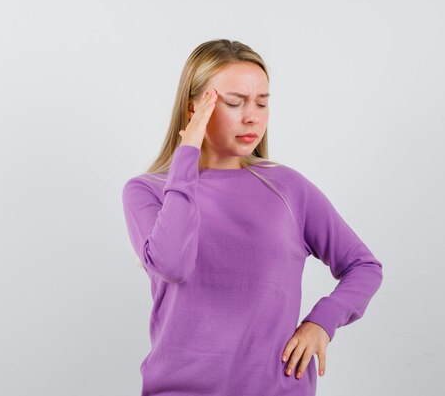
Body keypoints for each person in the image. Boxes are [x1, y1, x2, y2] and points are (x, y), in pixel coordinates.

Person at [121, 39, 384, 396]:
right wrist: (186, 158)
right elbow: (172, 265)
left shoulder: (288, 188)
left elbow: (363, 265)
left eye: (262, 102)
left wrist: (321, 322)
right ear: (192, 109)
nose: (252, 116)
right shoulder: (148, 191)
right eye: (234, 102)